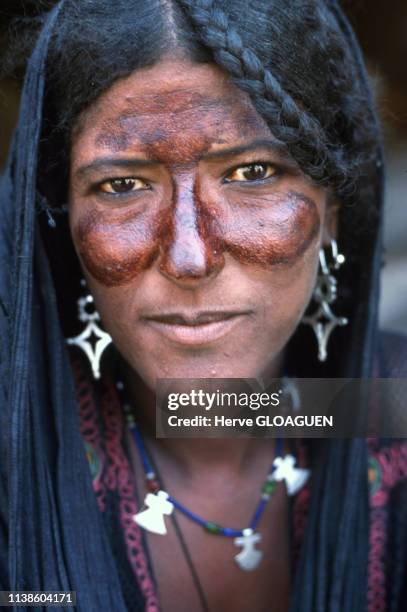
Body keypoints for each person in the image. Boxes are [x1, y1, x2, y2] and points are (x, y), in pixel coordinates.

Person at [0, 1, 406, 611]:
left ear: (332, 212)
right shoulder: (16, 448)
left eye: (253, 172)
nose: (189, 257)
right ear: (64, 222)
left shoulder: (388, 414)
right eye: (122, 185)